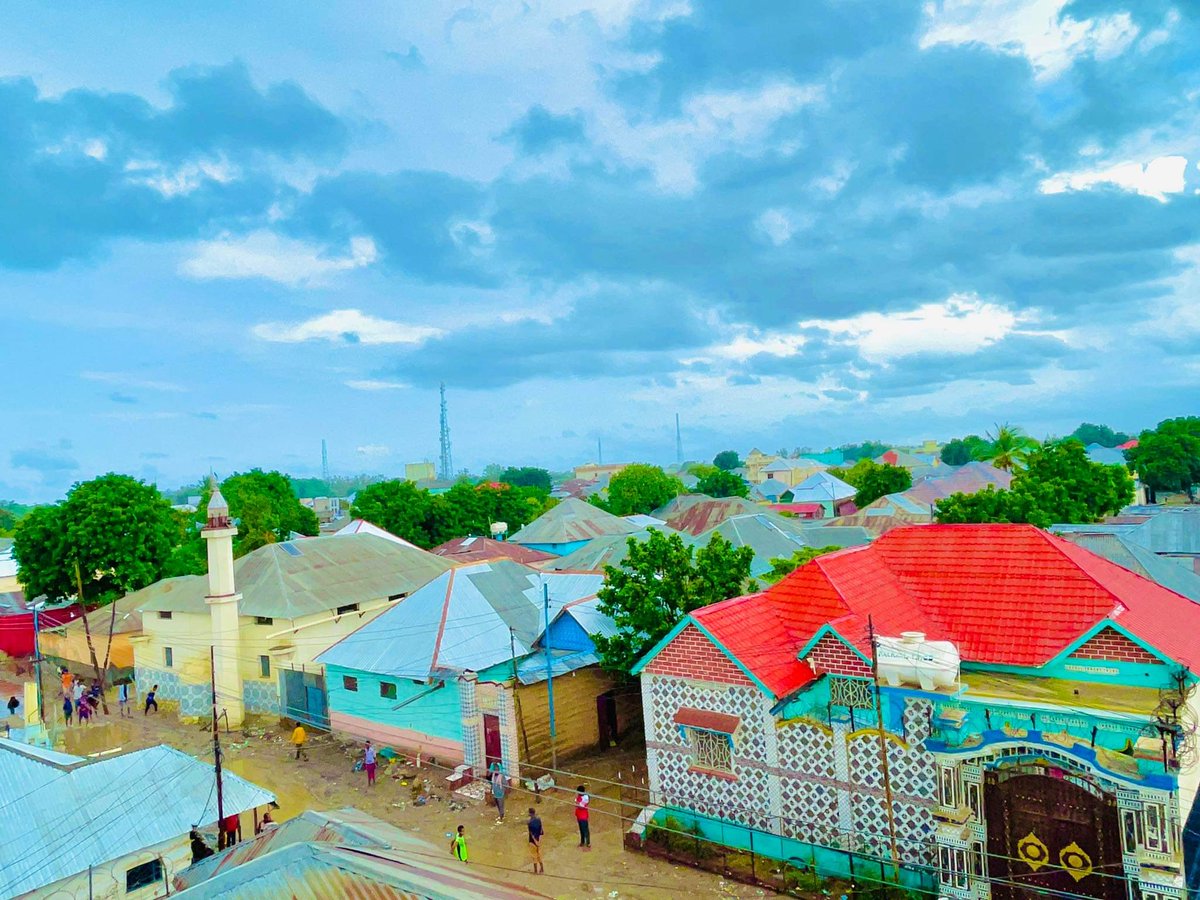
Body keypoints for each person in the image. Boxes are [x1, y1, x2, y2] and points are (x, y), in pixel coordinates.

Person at [527, 807, 544, 874]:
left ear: (530, 813)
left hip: (533, 842)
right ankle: (542, 869)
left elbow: (531, 834)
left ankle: (535, 871)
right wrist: (538, 841)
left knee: (534, 856)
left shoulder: (529, 823)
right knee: (539, 855)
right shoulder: (539, 820)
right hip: (539, 840)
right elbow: (541, 831)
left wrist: (535, 842)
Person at [575, 784, 591, 849]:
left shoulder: (585, 798)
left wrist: (577, 803)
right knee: (581, 829)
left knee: (585, 830)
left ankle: (588, 843)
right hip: (579, 815)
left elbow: (581, 806)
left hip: (583, 816)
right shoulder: (580, 796)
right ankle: (582, 842)